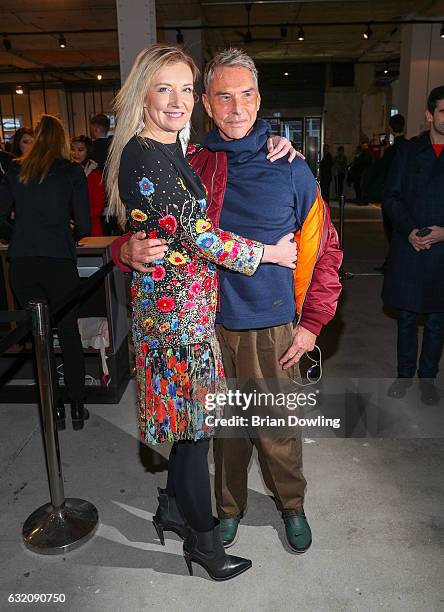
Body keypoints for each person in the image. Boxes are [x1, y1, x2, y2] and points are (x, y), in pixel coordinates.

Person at [112, 48, 343, 554]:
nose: (236, 108)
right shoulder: (194, 160)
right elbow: (158, 225)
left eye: (246, 96)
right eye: (223, 97)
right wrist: (123, 249)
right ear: (208, 108)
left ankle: (292, 507)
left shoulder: (291, 166)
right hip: (208, 321)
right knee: (225, 435)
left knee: (276, 428)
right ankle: (228, 509)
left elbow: (325, 249)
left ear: (259, 100)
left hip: (273, 323)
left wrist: (313, 324)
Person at [0, 114, 91, 429]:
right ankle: (77, 405)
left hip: (23, 263)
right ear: (63, 140)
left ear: (36, 139)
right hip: (58, 262)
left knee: (39, 340)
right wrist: (67, 234)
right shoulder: (72, 171)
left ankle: (52, 409)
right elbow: (85, 225)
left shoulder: (15, 170)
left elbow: (0, 216)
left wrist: (20, 234)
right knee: (68, 333)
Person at [383, 85, 444, 406]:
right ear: (429, 114)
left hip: (442, 250)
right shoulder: (408, 152)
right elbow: (390, 196)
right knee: (406, 317)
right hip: (410, 246)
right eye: (443, 111)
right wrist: (408, 231)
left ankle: (427, 379)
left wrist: (443, 233)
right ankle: (404, 375)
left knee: (436, 320)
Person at [373, 114, 408, 272]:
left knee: (391, 231)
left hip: (392, 197)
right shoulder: (411, 148)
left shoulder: (391, 151)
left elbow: (381, 172)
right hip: (407, 197)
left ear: (391, 129)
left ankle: (393, 263)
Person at [71, 135, 105, 236]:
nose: (76, 154)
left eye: (80, 150)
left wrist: (77, 215)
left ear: (88, 152)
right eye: (73, 149)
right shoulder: (67, 172)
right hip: (71, 227)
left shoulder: (95, 174)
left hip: (91, 227)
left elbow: (98, 207)